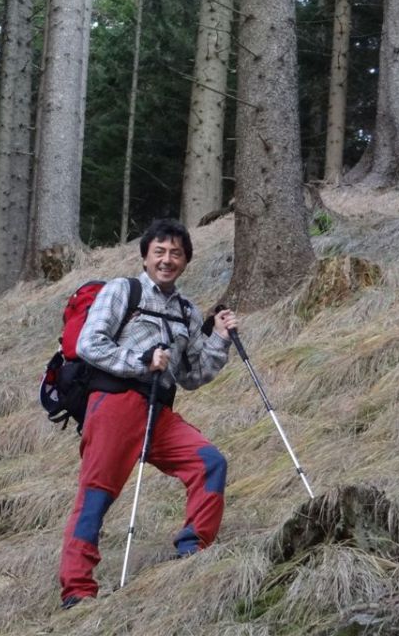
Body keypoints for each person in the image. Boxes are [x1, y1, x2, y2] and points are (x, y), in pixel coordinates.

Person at [58, 218, 238, 609]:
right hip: (115, 405)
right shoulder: (123, 290)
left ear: (186, 260)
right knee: (97, 496)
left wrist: (220, 339)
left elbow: (191, 375)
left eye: (176, 253)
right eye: (159, 251)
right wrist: (141, 360)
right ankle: (77, 588)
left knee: (210, 463)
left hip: (159, 411)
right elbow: (90, 344)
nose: (167, 259)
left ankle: (193, 549)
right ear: (145, 256)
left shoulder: (188, 311)